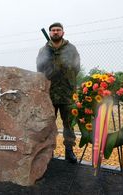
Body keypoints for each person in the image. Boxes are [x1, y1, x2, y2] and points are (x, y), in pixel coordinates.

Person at [36, 22, 80, 163]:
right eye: (53, 30)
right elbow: (39, 69)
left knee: (69, 124)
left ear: (63, 32)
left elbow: (77, 67)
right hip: (49, 94)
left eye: (58, 30)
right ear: (50, 33)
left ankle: (69, 151)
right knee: (49, 124)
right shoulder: (44, 50)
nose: (55, 32)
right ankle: (49, 152)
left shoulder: (71, 49)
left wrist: (67, 79)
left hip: (67, 94)